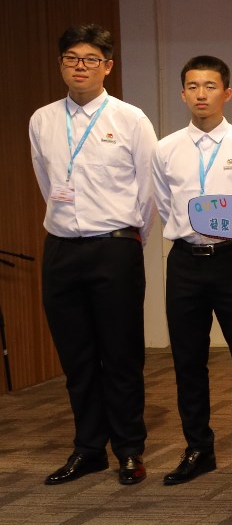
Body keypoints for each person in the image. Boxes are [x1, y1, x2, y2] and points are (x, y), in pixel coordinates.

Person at [29, 24, 159, 486]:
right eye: (71, 58)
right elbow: (46, 182)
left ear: (108, 66)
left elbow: (148, 190)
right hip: (61, 248)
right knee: (76, 357)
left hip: (115, 247)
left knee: (121, 355)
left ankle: (129, 449)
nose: (79, 67)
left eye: (89, 59)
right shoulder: (42, 119)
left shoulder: (130, 119)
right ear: (61, 64)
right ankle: (88, 449)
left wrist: (130, 238)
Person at [152, 55, 232, 485]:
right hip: (184, 262)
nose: (201, 94)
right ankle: (198, 448)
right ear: (183, 94)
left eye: (210, 86)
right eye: (193, 86)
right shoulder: (165, 148)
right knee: (187, 360)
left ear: (227, 93)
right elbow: (164, 205)